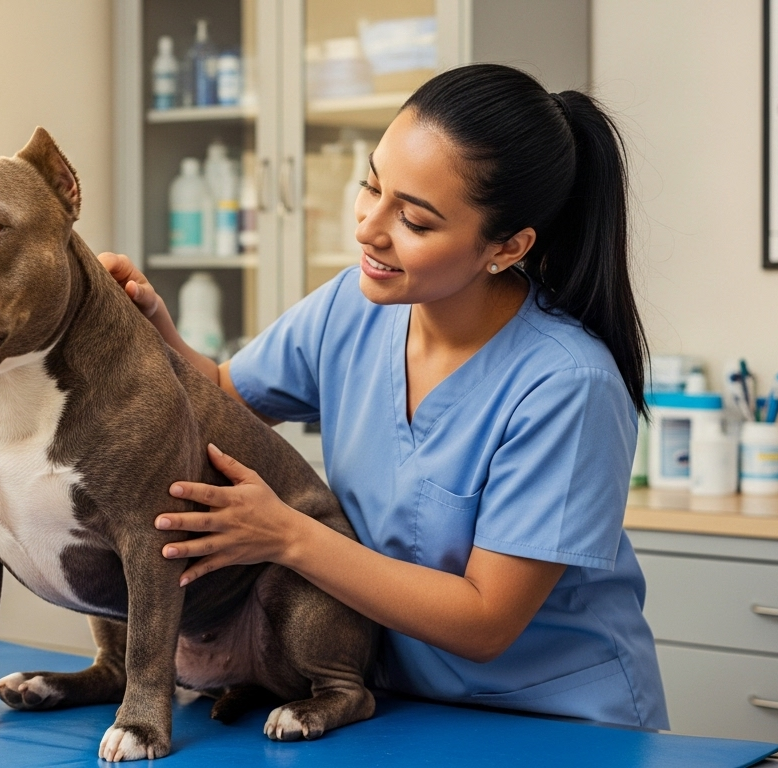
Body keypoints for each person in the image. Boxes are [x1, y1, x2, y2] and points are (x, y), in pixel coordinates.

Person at [98, 63, 668, 730]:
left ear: (507, 246)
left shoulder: (567, 384)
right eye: (371, 186)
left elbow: (486, 621)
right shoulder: (352, 307)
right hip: (401, 707)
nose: (369, 227)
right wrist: (152, 326)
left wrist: (286, 535)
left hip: (557, 722)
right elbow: (223, 397)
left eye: (415, 221)